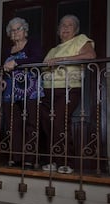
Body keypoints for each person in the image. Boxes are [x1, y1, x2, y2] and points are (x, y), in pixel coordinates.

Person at [40, 14, 96, 173]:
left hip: (68, 88)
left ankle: (66, 162)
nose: (65, 27)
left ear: (76, 29)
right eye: (62, 25)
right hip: (48, 89)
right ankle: (51, 161)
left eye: (69, 25)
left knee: (59, 121)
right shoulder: (53, 49)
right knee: (47, 124)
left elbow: (90, 55)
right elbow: (44, 66)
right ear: (58, 30)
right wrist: (52, 63)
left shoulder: (80, 40)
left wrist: (62, 60)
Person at [1, 17, 44, 169]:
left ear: (25, 30)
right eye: (12, 30)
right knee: (13, 124)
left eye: (18, 29)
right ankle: (16, 157)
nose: (15, 32)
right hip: (10, 90)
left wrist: (17, 62)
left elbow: (38, 59)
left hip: (30, 88)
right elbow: (5, 68)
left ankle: (29, 158)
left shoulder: (32, 43)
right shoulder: (8, 49)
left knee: (31, 123)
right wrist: (3, 79)